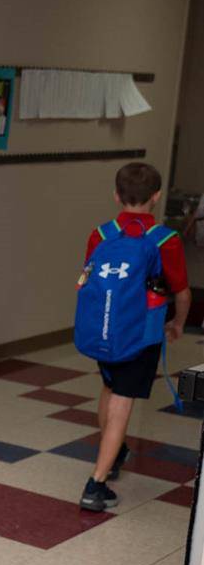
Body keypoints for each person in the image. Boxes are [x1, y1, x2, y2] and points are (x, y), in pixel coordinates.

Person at [81, 162, 190, 511]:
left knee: (110, 388)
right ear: (156, 197)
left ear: (116, 195)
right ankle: (96, 485)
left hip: (104, 329)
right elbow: (181, 292)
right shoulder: (166, 240)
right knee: (123, 401)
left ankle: (113, 454)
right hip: (141, 335)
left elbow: (89, 281)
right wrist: (178, 323)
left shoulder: (101, 235)